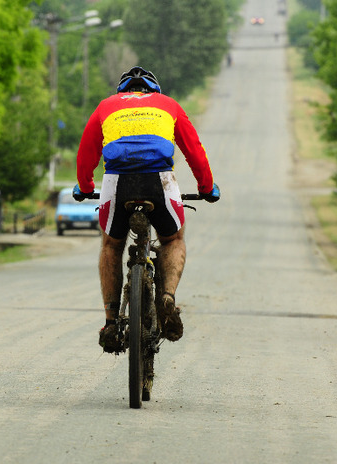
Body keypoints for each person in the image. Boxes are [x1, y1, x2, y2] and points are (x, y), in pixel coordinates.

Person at [74, 66, 220, 353]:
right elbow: (194, 151)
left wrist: (84, 185)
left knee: (111, 246)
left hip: (118, 183)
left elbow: (86, 152)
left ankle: (111, 321)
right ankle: (167, 297)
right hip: (159, 181)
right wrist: (206, 188)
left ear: (123, 91)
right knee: (173, 239)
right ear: (155, 91)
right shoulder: (169, 106)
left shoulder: (105, 106)